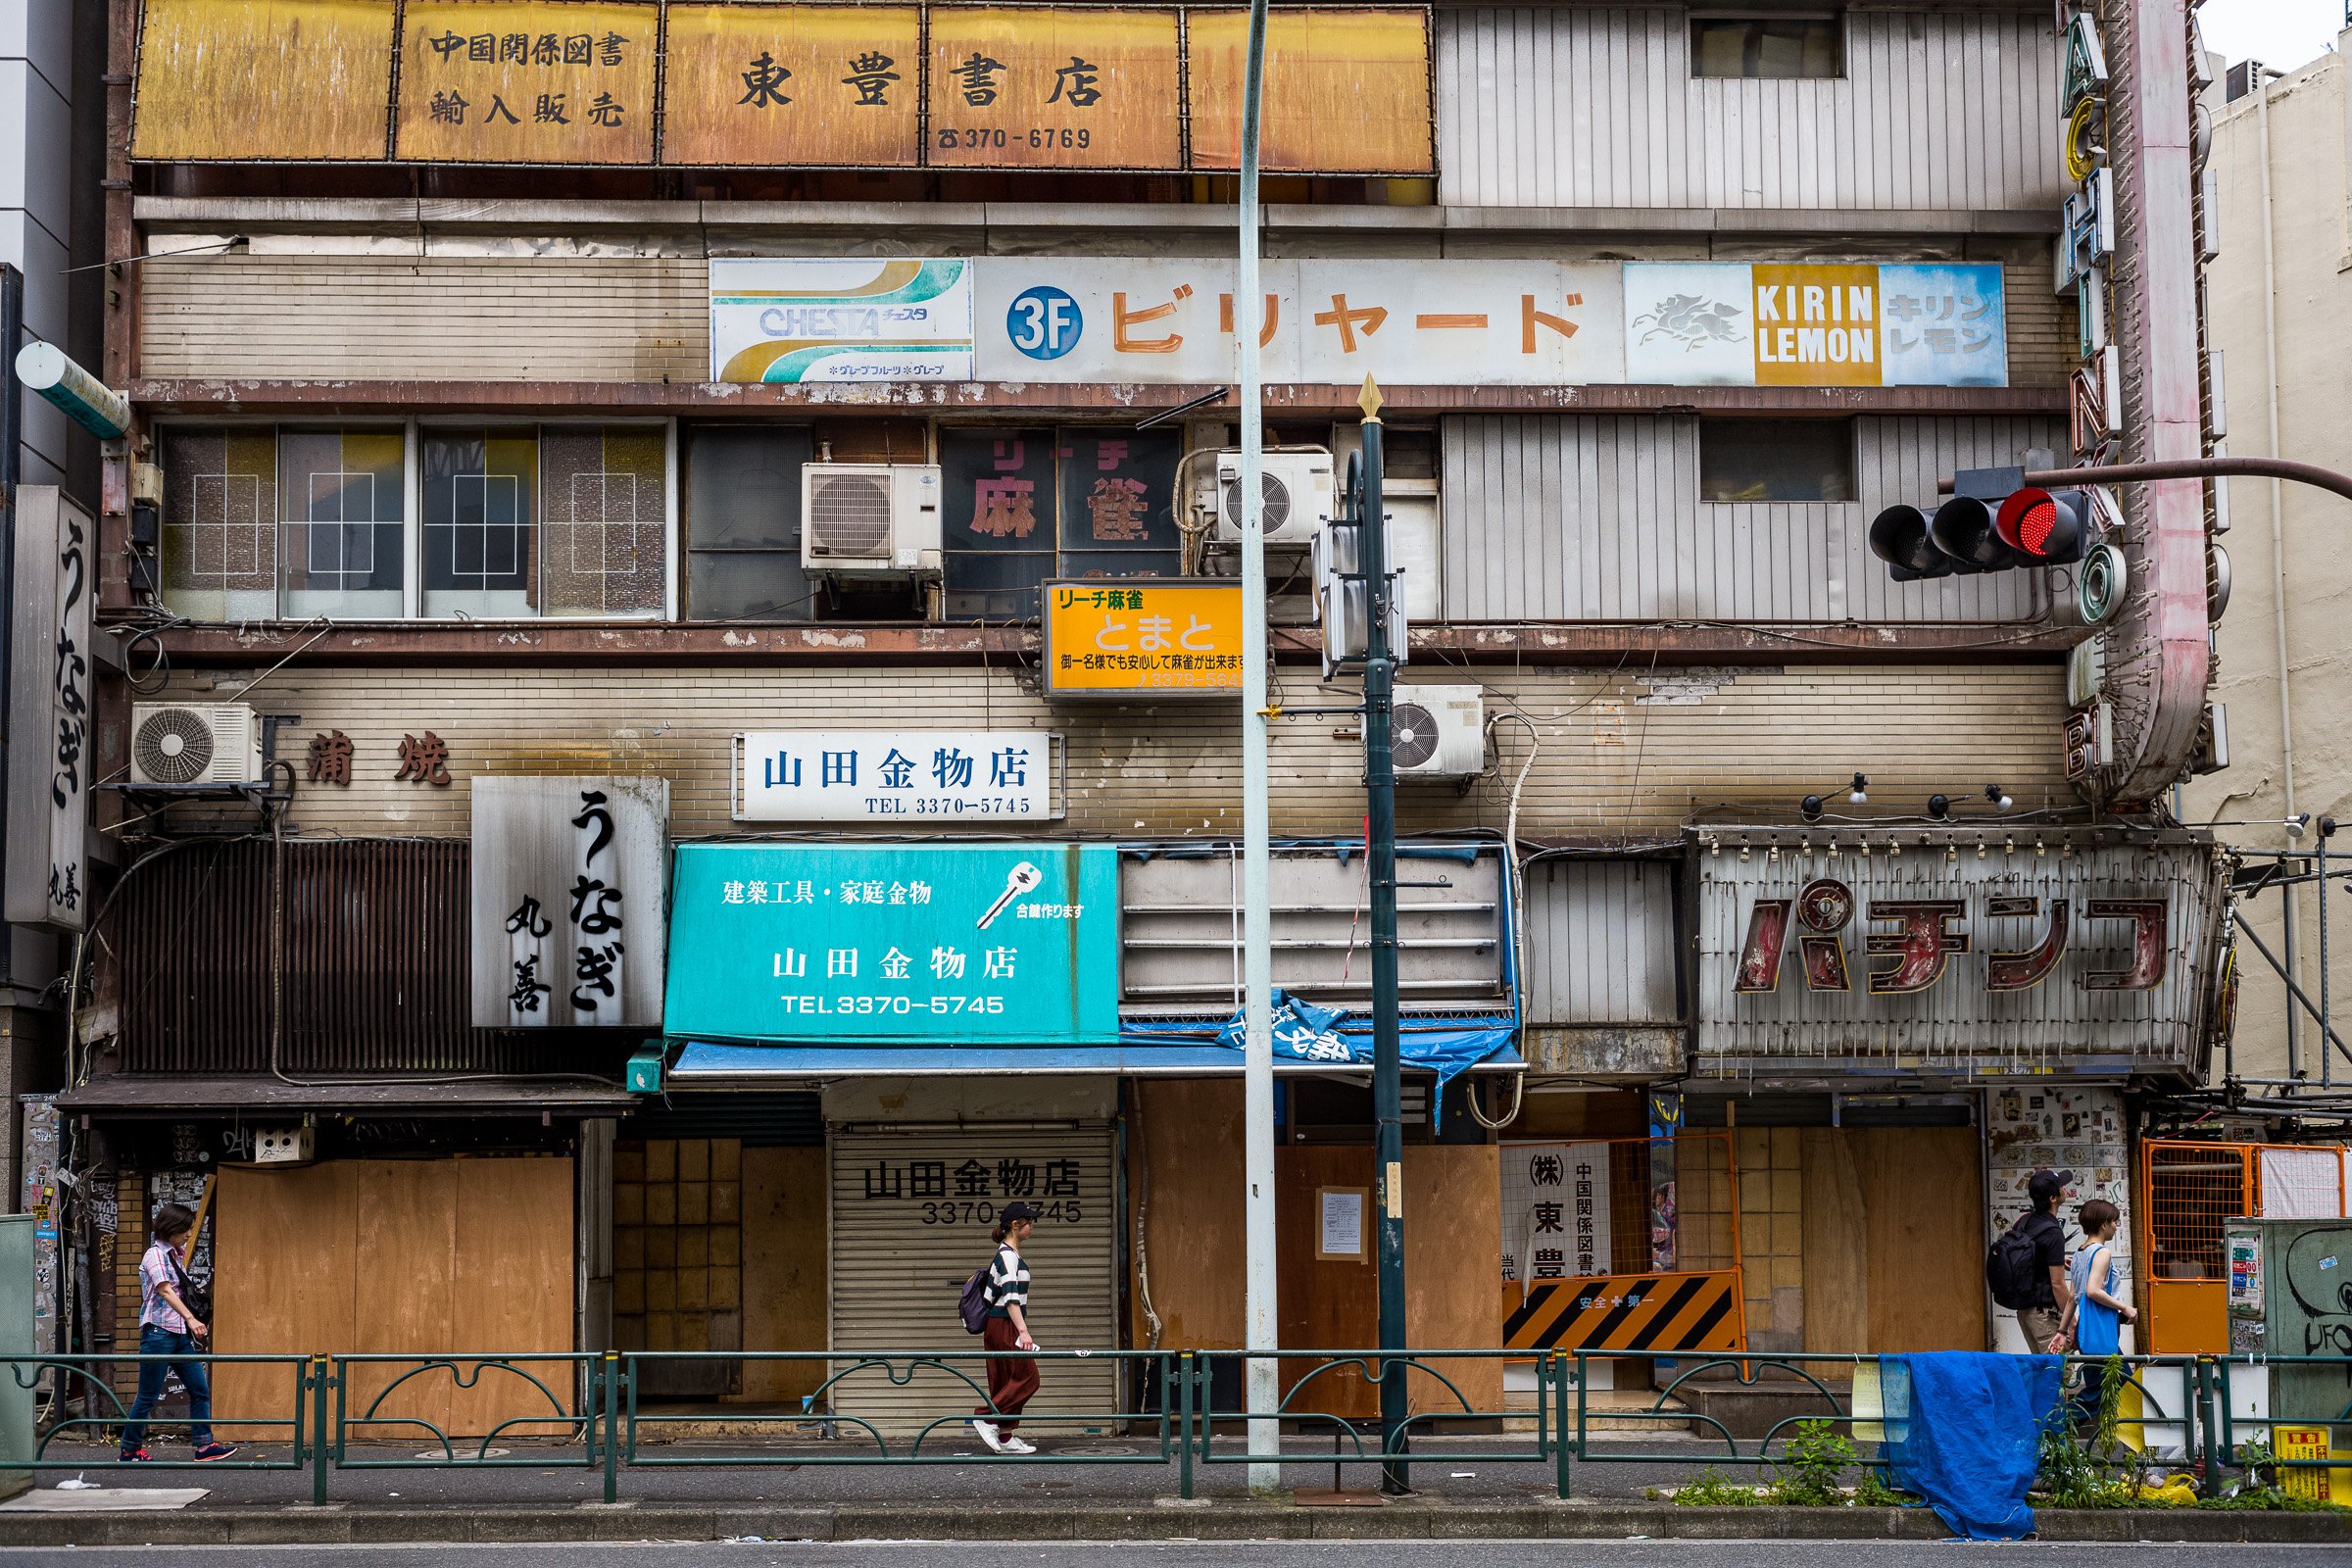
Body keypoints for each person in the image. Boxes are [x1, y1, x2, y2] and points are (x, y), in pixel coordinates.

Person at [120, 1202, 238, 1462]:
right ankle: (129, 1450)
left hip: (178, 1334)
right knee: (148, 1396)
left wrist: (188, 1322)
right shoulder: (155, 1255)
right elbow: (164, 1289)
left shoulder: (175, 1254)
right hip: (159, 1334)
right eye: (186, 1228)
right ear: (172, 1227)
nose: (188, 1233)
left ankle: (204, 1446)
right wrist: (191, 1318)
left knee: (199, 1389)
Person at [2055, 1198, 2136, 1428]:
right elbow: (2092, 1291)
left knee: (2118, 1382)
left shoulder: (2080, 1254)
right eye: (2114, 1222)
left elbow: (2073, 1297)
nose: (2116, 1227)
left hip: (2089, 1333)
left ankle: (2107, 1432)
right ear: (2103, 1224)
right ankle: (2053, 1427)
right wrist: (2125, 1307)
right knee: (2102, 1391)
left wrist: (2063, 1330)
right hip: (2101, 1333)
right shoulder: (2101, 1253)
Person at [971, 1201, 1041, 1455]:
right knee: (1028, 1377)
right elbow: (1011, 1299)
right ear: (1015, 1225)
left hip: (1000, 1324)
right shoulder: (1008, 1256)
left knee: (1005, 1381)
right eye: (1029, 1222)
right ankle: (986, 1417)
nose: (1032, 1226)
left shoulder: (1008, 1254)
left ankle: (1006, 1436)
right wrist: (1023, 1332)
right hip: (1004, 1324)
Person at [2012, 1169, 2074, 1356]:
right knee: (2057, 1371)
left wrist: (2055, 1261)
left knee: (2041, 1370)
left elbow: (2025, 1258)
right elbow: (2058, 1284)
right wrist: (2070, 1322)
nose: (2065, 1187)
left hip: (2025, 1310)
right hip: (2044, 1314)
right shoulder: (2053, 1232)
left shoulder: (2023, 1221)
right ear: (2053, 1198)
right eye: (2061, 1186)